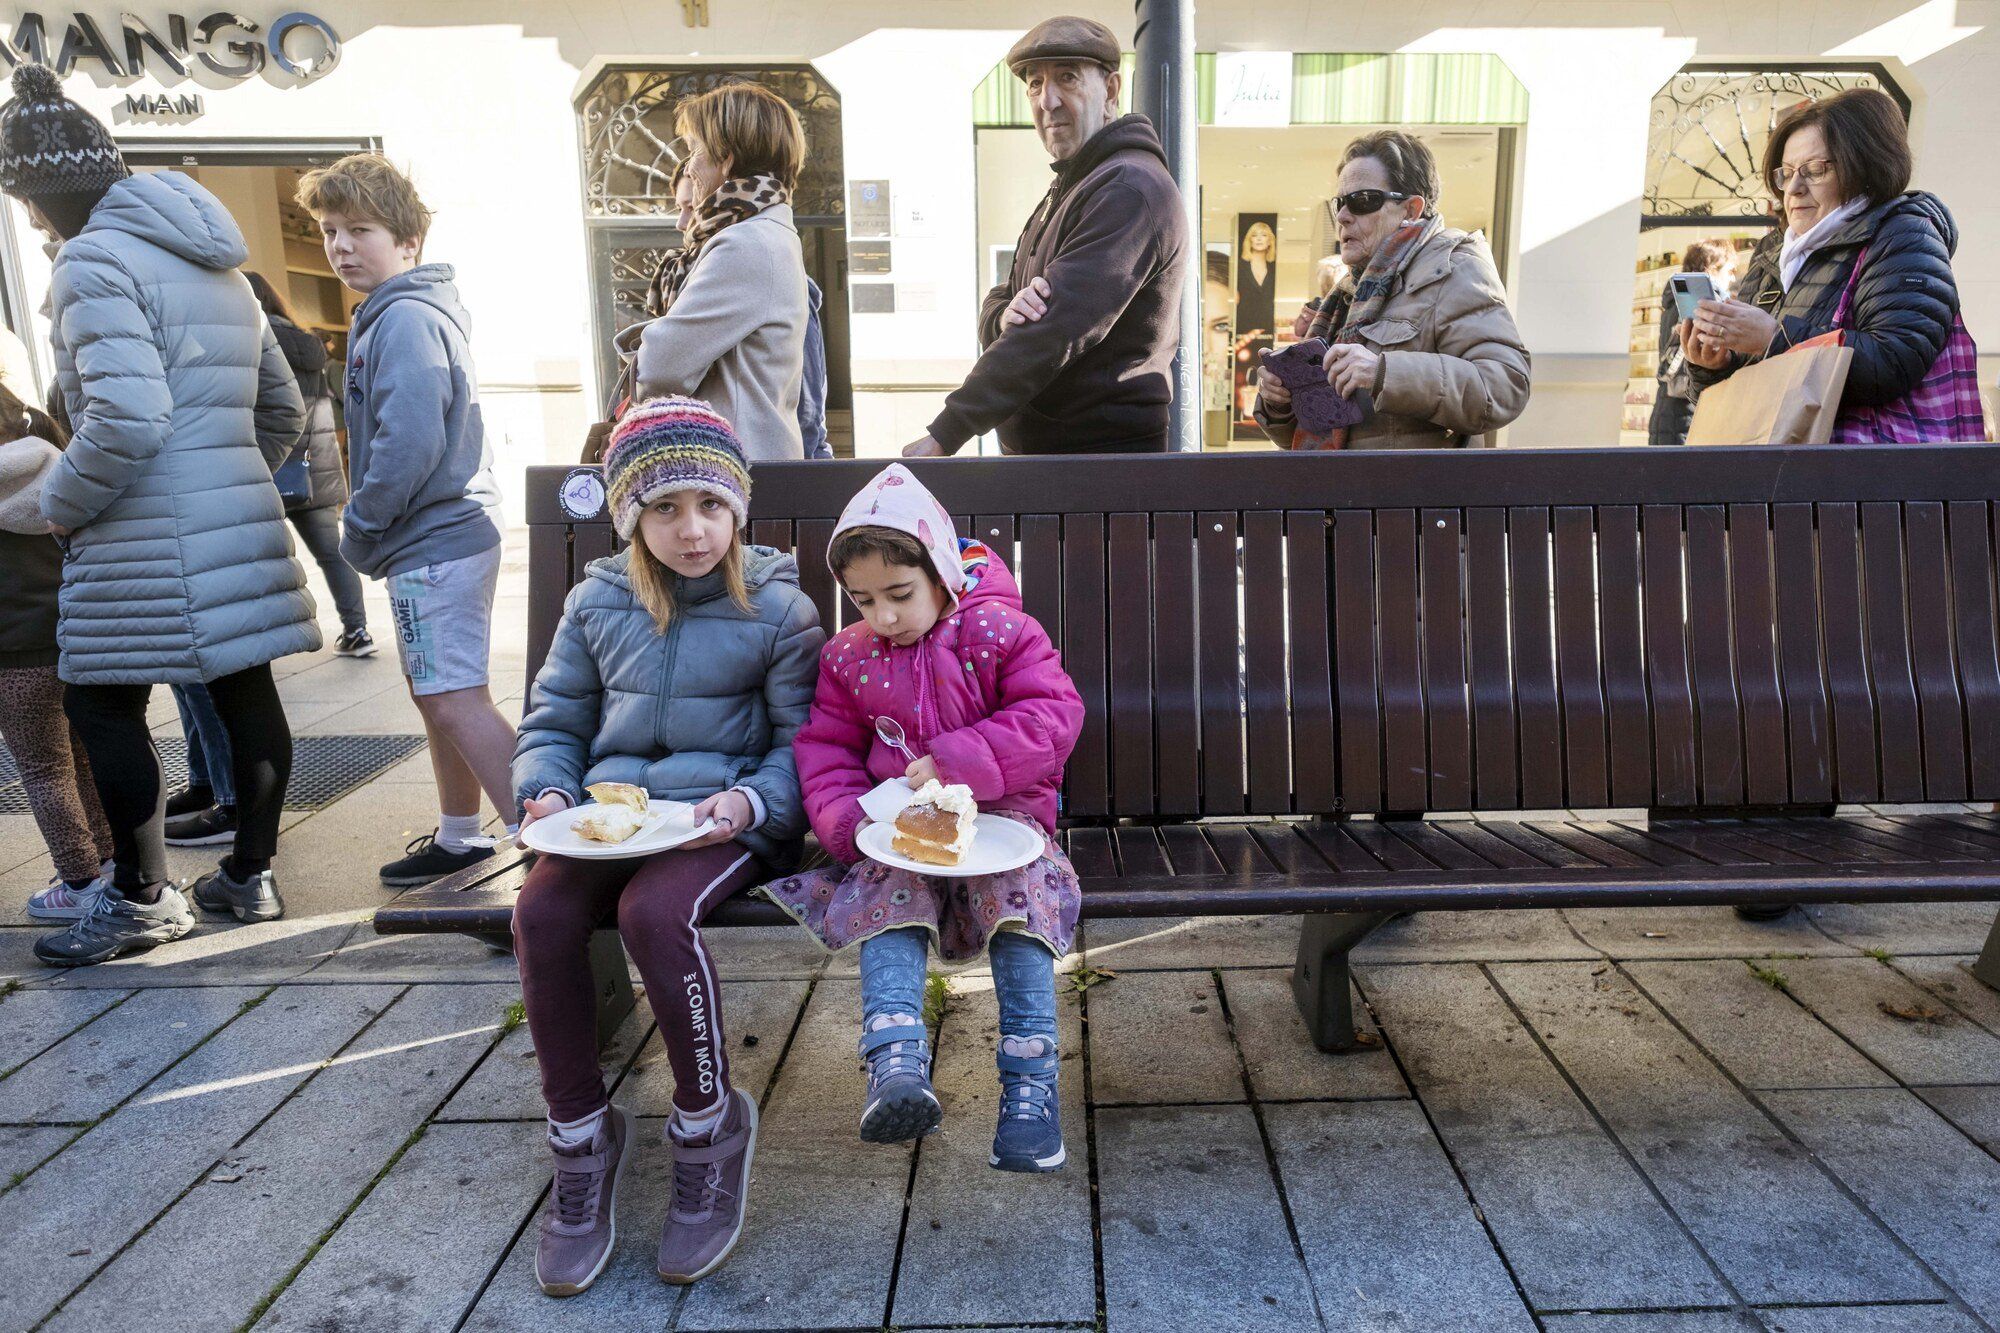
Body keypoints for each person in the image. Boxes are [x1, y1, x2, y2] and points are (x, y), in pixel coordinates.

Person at [1, 63, 317, 963]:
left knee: (101, 701)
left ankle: (141, 900)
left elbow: (130, 418)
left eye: (23, 203)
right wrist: (226, 483)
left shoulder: (93, 260)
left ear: (39, 195)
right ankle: (249, 877)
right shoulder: (211, 255)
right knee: (242, 688)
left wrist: (61, 503)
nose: (28, 223)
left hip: (138, 531)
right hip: (232, 520)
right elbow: (283, 409)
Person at [510, 397, 821, 1295]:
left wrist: (751, 801)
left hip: (716, 823)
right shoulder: (597, 600)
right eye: (665, 508)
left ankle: (708, 1121)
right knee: (542, 910)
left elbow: (801, 743)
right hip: (610, 819)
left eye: (712, 505)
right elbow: (556, 717)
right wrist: (551, 790)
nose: (693, 530)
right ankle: (579, 1134)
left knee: (655, 911)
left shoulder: (779, 606)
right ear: (629, 517)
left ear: (738, 507)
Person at [767, 464, 1086, 1173]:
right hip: (905, 834)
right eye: (863, 598)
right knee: (886, 891)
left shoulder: (1002, 632)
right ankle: (896, 1061)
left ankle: (1031, 1082)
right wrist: (846, 823)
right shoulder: (850, 657)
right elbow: (826, 746)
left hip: (1007, 827)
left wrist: (955, 761)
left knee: (1021, 902)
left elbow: (1053, 717)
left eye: (900, 594)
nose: (883, 615)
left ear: (942, 569)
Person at [296, 153, 518, 888]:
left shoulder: (405, 318)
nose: (342, 246)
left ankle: (551, 845)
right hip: (439, 536)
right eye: (330, 231)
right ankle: (461, 837)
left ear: (408, 241)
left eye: (361, 229)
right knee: (441, 693)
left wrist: (359, 524)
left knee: (454, 695)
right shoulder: (399, 312)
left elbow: (409, 441)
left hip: (435, 538)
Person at [904, 16, 1188, 456]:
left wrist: (946, 433)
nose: (1047, 101)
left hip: (1099, 477)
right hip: (1057, 472)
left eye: (1067, 78)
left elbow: (1054, 331)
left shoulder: (1127, 188)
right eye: (1034, 85)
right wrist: (1002, 317)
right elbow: (1004, 294)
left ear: (1111, 91)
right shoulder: (1075, 185)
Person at [1681, 88, 1977, 442]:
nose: (1793, 188)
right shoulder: (1773, 251)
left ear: (1864, 166)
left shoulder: (1903, 234)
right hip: (1779, 473)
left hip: (1863, 482)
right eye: (1786, 172)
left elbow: (1895, 362)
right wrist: (1714, 366)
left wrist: (1773, 338)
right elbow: (1752, 389)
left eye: (1815, 170)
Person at [1254, 130, 1530, 449]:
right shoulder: (1347, 294)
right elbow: (1318, 431)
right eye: (1339, 203)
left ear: (1411, 210)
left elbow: (1505, 387)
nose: (1343, 216)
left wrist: (1384, 373)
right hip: (1336, 491)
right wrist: (1280, 401)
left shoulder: (1453, 268)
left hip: (1411, 494)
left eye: (1362, 201)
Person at [624, 83, 809, 462]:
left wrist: (639, 346)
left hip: (734, 473)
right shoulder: (766, 233)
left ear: (726, 159)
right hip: (743, 464)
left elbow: (661, 365)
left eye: (694, 150)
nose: (689, 165)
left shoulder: (747, 243)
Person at [0, 354, 113, 921]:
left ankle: (80, 882)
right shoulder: (54, 458)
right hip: (73, 638)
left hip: (13, 655)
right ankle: (112, 864)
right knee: (83, 760)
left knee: (44, 772)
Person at [248, 270, 375, 658]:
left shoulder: (248, 339)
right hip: (315, 468)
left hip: (264, 468)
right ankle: (357, 631)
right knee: (332, 554)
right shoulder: (309, 344)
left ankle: (270, 641)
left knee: (259, 562)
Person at [1647, 239, 1734, 447]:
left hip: (1667, 407)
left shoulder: (1675, 300)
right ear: (1713, 268)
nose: (1732, 278)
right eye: (1730, 270)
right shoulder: (1703, 304)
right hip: (1688, 409)